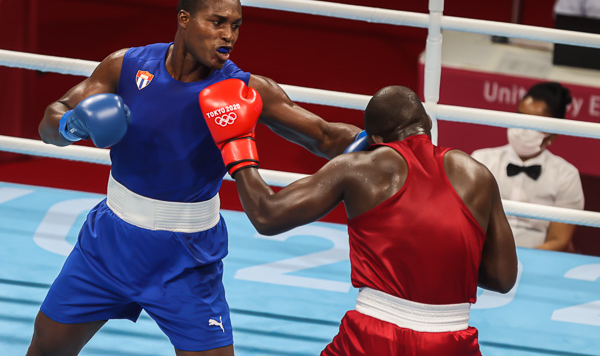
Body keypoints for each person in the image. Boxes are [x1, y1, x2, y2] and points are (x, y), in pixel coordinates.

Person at [28, 0, 362, 356]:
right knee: (44, 350)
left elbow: (324, 136)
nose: (228, 36)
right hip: (108, 247)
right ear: (184, 19)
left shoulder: (243, 89)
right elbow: (51, 120)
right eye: (217, 22)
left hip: (187, 259)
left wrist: (386, 143)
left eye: (236, 26)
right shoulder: (126, 66)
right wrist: (72, 124)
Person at [201, 82, 518, 355]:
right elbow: (503, 279)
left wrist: (236, 144)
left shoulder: (360, 168)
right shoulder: (478, 174)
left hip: (375, 336)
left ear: (376, 139)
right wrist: (436, 258)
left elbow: (267, 215)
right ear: (427, 125)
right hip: (452, 339)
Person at [472, 82, 584, 252]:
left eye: (534, 122)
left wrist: (521, 262)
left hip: (538, 259)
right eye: (521, 116)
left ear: (553, 134)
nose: (522, 128)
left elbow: (559, 240)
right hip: (483, 254)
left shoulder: (567, 176)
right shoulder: (481, 160)